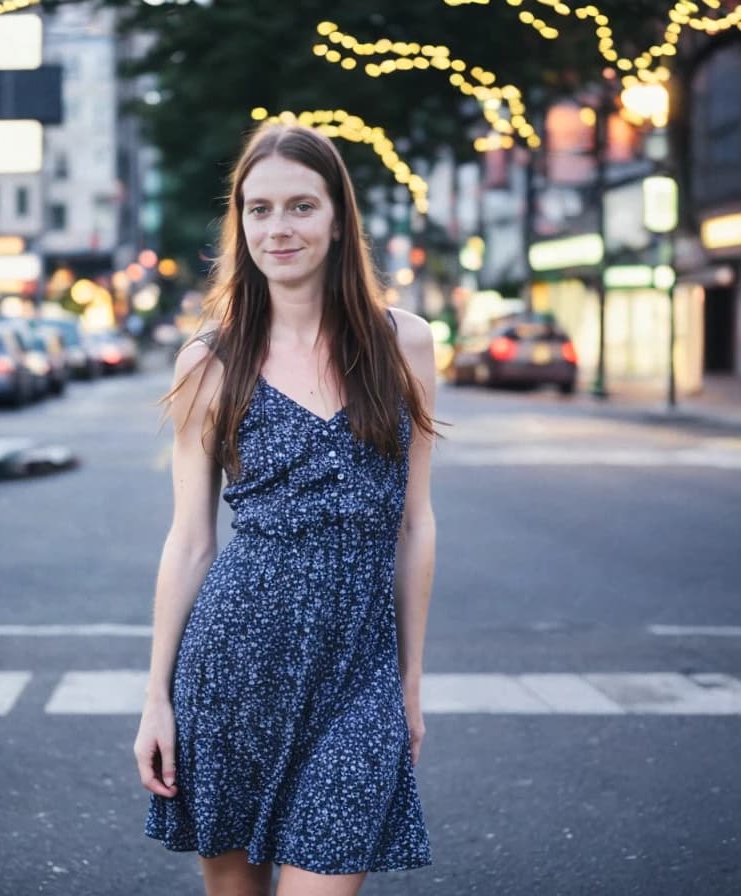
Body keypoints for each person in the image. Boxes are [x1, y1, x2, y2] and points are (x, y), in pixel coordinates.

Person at [134, 122, 438, 896]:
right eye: (258, 209)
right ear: (239, 221)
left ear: (339, 218)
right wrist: (155, 699)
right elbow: (191, 541)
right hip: (232, 665)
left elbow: (416, 522)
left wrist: (407, 681)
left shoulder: (404, 344)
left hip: (357, 675)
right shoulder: (210, 360)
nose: (278, 228)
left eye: (301, 206)